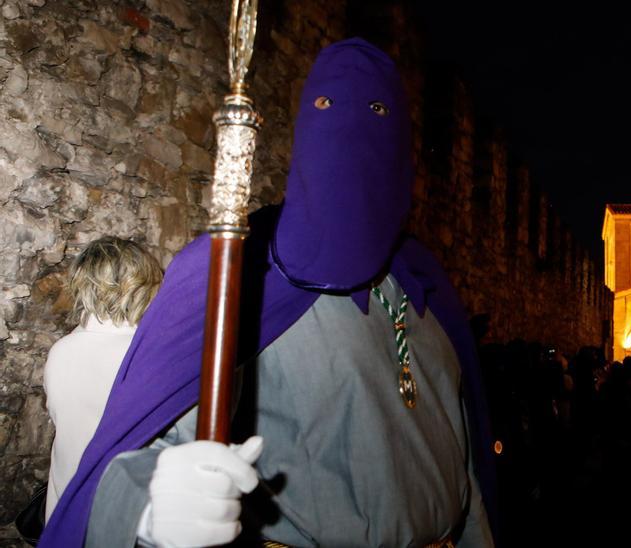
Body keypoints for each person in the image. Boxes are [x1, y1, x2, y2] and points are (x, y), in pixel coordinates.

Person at [41, 39, 495, 547]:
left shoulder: (425, 290)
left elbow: (465, 473)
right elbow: (133, 459)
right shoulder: (238, 276)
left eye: (378, 110)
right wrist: (149, 510)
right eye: (327, 106)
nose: (353, 130)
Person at [44, 237, 163, 521]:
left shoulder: (61, 350)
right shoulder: (149, 354)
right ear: (143, 285)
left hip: (66, 511)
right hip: (123, 519)